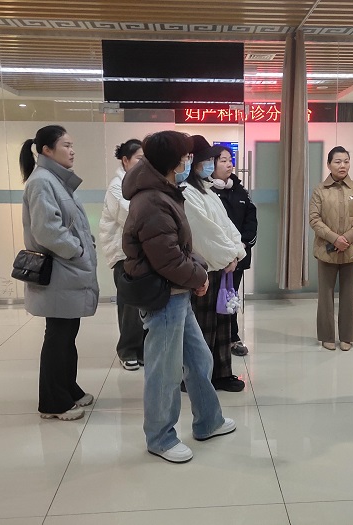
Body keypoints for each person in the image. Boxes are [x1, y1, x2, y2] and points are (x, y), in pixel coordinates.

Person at [122, 130, 235, 463]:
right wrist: (199, 276)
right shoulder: (152, 201)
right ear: (174, 162)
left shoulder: (165, 192)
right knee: (165, 372)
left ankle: (208, 421)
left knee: (199, 359)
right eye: (186, 156)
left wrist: (198, 270)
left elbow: (180, 246)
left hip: (177, 293)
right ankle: (160, 437)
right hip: (164, 296)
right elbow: (167, 259)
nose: (191, 161)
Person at [19, 125, 99, 421]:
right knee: (58, 336)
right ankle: (53, 403)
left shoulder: (55, 180)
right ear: (46, 150)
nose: (72, 151)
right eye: (66, 145)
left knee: (66, 335)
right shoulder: (42, 181)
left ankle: (68, 389)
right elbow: (47, 230)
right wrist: (77, 250)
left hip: (67, 272)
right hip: (60, 272)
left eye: (72, 145)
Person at [182, 135, 247, 392]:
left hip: (220, 266)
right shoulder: (187, 192)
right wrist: (229, 255)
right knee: (202, 328)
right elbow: (204, 234)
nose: (210, 164)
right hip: (204, 269)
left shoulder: (206, 189)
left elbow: (227, 227)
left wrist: (236, 253)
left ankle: (221, 374)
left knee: (222, 324)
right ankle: (198, 379)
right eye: (207, 160)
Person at [309, 146, 353, 352]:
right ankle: (327, 336)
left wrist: (348, 237)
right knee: (325, 296)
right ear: (329, 165)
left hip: (352, 250)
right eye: (337, 161)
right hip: (326, 250)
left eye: (346, 161)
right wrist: (335, 239)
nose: (342, 165)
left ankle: (347, 336)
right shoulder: (320, 190)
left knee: (349, 296)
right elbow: (314, 219)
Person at [99, 139, 145, 371]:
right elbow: (130, 217)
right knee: (129, 305)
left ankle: (141, 349)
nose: (143, 163)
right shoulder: (117, 186)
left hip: (139, 254)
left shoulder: (139, 184)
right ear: (125, 160)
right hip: (122, 253)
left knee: (142, 303)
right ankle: (127, 350)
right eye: (139, 158)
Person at [210, 146, 257, 356]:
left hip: (238, 256)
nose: (229, 164)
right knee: (213, 299)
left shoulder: (240, 190)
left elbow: (251, 220)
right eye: (223, 160)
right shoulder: (206, 192)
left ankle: (232, 337)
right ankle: (213, 338)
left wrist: (243, 246)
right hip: (215, 257)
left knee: (231, 296)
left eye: (230, 160)